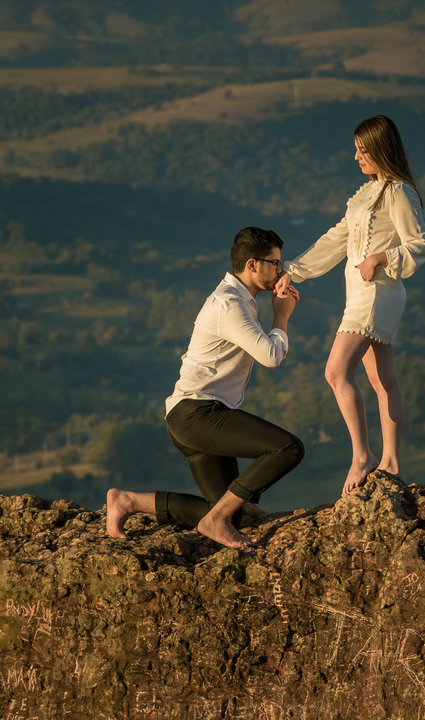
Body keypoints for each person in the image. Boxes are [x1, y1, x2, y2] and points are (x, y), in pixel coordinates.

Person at [106, 227, 305, 549]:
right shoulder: (230, 305)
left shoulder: (241, 301)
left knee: (231, 513)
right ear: (252, 265)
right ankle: (215, 520)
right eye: (275, 263)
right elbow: (270, 357)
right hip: (198, 413)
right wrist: (281, 317)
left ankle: (127, 501)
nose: (281, 271)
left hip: (192, 416)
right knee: (287, 449)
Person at [276, 114, 425, 494]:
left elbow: (420, 245)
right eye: (356, 150)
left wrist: (380, 258)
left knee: (335, 371)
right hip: (359, 295)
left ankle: (362, 456)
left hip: (379, 293)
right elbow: (335, 240)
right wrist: (293, 270)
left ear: (381, 150)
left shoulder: (398, 192)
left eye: (363, 151)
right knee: (381, 379)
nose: (356, 157)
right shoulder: (365, 194)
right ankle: (391, 462)